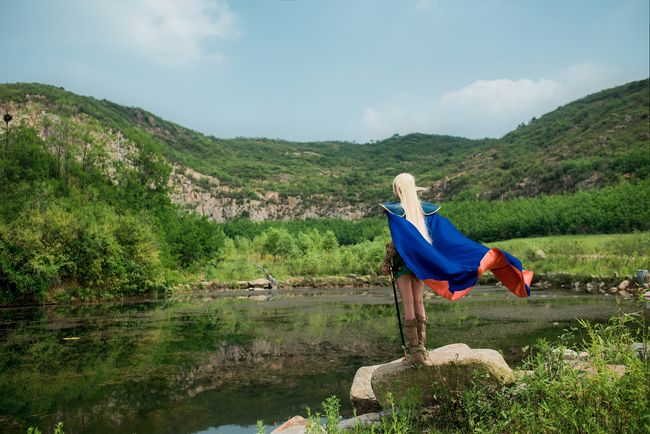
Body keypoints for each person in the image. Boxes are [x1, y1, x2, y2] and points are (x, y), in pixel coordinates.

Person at [380, 173, 532, 367]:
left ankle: (415, 354)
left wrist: (386, 262)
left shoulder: (394, 211)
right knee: (418, 301)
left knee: (408, 303)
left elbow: (397, 241)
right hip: (421, 264)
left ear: (397, 189)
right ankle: (423, 351)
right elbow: (440, 237)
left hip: (403, 263)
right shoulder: (424, 211)